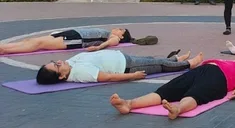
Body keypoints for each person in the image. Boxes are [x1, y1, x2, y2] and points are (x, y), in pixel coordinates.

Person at [110, 59, 235, 119]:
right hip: (201, 71)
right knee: (166, 90)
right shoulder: (221, 61)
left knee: (196, 94)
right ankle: (128, 104)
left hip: (220, 78)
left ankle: (178, 109)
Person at [35, 50, 204, 84]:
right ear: (61, 77)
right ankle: (187, 64)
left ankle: (175, 58)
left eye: (55, 61)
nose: (59, 62)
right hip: (126, 67)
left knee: (150, 58)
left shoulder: (70, 65)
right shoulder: (80, 73)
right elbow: (108, 77)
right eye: (57, 66)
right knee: (159, 65)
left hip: (123, 58)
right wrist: (133, 76)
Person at [0, 27, 133, 55]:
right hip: (72, 33)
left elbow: (111, 42)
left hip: (75, 39)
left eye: (120, 30)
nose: (117, 28)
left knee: (39, 44)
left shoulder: (114, 38)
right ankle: (4, 46)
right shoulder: (109, 32)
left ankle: (5, 50)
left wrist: (98, 48)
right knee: (33, 40)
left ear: (122, 36)